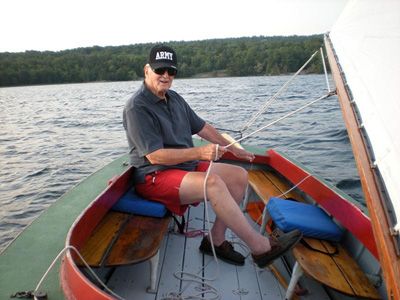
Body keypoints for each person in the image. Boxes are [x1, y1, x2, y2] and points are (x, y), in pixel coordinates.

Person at [122, 44, 302, 267]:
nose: (166, 76)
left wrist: (233, 148)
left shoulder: (175, 98)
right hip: (154, 177)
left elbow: (202, 128)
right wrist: (201, 152)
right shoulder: (137, 107)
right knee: (214, 184)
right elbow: (154, 157)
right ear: (147, 70)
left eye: (171, 71)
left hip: (183, 167)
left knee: (238, 176)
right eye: (160, 70)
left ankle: (215, 240)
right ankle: (260, 248)